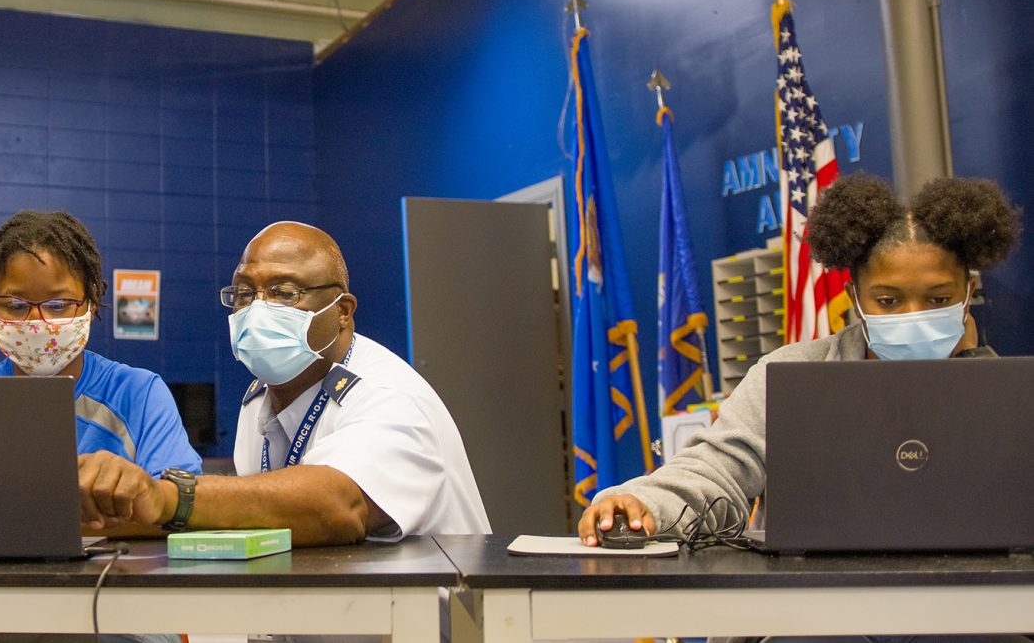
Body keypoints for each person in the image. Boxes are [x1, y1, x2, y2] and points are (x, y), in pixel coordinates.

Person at [579, 173, 1022, 544]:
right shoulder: (787, 376)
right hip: (812, 614)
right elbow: (716, 472)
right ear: (855, 297)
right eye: (888, 301)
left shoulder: (1015, 394)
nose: (913, 315)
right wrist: (645, 505)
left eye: (938, 298)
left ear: (967, 294)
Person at [76, 221, 491, 544]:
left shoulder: (387, 395)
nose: (257, 309)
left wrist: (167, 496)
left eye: (285, 292)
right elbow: (262, 518)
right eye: (243, 293)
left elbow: (337, 505)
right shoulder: (257, 400)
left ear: (343, 311)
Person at [0, 210, 201, 487]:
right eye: (16, 306)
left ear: (90, 303)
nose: (36, 322)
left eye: (58, 305)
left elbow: (180, 501)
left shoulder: (138, 396)